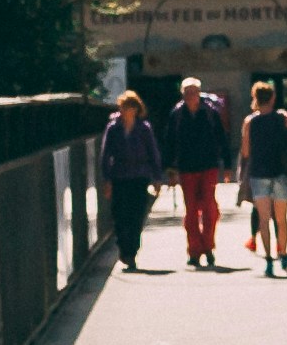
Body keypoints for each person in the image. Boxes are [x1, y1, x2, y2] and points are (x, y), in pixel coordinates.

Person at [158, 77, 235, 269]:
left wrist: (228, 165)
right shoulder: (176, 114)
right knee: (191, 211)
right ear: (182, 94)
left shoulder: (210, 113)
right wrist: (170, 169)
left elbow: (222, 138)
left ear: (199, 93)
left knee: (210, 209)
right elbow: (169, 142)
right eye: (187, 92)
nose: (190, 95)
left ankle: (208, 246)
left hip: (208, 166)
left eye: (194, 91)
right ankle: (194, 250)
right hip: (186, 168)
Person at [242, 82, 287, 276]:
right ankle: (283, 253)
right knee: (281, 218)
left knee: (263, 219)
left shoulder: (250, 121)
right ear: (272, 98)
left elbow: (245, 152)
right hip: (281, 173)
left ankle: (268, 259)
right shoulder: (282, 117)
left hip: (259, 173)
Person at [96, 90, 166, 269]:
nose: (127, 110)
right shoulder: (113, 128)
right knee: (120, 214)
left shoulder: (144, 128)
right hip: (119, 175)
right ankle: (123, 248)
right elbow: (105, 155)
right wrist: (107, 179)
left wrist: (157, 177)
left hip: (139, 176)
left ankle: (132, 252)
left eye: (130, 107)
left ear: (136, 109)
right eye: (124, 107)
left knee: (136, 215)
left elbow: (153, 153)